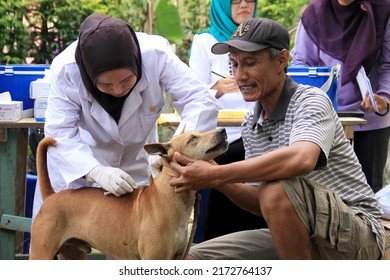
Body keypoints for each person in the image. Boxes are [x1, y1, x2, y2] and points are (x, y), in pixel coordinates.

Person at [169, 18, 386, 259]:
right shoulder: (251, 123)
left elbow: (302, 159)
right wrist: (214, 177)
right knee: (190, 260)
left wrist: (218, 173)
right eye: (234, 65)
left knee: (276, 187)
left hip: (358, 235)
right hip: (299, 233)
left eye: (250, 63)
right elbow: (261, 202)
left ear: (282, 60)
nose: (240, 75)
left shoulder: (311, 101)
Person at [32, 13, 219, 219]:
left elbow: (200, 99)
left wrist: (174, 152)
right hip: (81, 169)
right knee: (63, 243)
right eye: (106, 85)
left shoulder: (156, 55)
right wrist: (95, 171)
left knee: (130, 241)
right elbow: (60, 132)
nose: (118, 90)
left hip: (137, 165)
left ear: (136, 63)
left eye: (127, 80)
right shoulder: (66, 70)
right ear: (89, 76)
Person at [290, 0, 390, 193]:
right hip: (326, 118)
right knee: (325, 192)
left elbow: (389, 63)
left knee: (369, 192)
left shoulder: (383, 10)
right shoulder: (315, 13)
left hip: (372, 118)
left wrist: (384, 97)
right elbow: (301, 62)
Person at [189, 0, 265, 240]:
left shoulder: (263, 40)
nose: (244, 5)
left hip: (259, 136)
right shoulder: (205, 42)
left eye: (249, 0)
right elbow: (191, 94)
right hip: (221, 139)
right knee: (217, 224)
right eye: (235, 1)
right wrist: (216, 88)